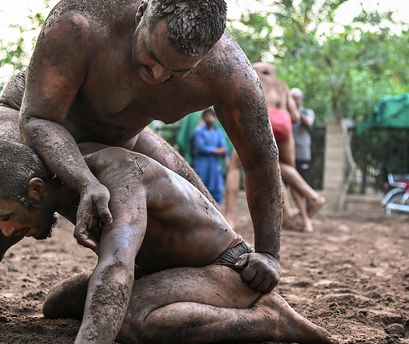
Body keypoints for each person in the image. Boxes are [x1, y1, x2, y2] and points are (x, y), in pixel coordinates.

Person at [0, 105, 338, 344]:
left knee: (124, 319)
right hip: (170, 271)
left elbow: (117, 265)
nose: (6, 231)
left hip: (225, 270)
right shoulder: (53, 189)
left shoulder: (115, 173)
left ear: (38, 190)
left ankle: (267, 319)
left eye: (8, 218)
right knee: (57, 304)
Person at [18, 0, 284, 308]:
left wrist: (269, 254)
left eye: (176, 71)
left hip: (131, 138)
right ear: (142, 13)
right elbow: (37, 119)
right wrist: (83, 180)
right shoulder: (80, 22)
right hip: (40, 126)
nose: (157, 75)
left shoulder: (229, 71)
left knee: (218, 244)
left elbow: (261, 158)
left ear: (206, 55)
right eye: (152, 57)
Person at [223, 63, 325, 232]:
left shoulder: (251, 80)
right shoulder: (282, 85)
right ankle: (309, 210)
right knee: (285, 168)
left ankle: (230, 218)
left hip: (264, 120)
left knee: (235, 166)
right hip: (284, 125)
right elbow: (295, 116)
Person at [193, 108, 228, 203]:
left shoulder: (218, 132)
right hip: (203, 163)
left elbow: (224, 148)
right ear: (204, 118)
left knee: (216, 187)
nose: (209, 118)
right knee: (202, 185)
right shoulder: (199, 131)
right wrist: (216, 150)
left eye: (211, 116)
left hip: (215, 164)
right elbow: (201, 147)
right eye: (207, 116)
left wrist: (223, 154)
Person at [291, 88, 315, 186]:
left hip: (302, 155)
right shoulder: (284, 114)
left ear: (302, 99)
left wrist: (296, 113)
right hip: (287, 155)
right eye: (292, 98)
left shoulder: (307, 112)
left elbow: (309, 122)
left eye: (297, 98)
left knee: (303, 185)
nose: (295, 101)